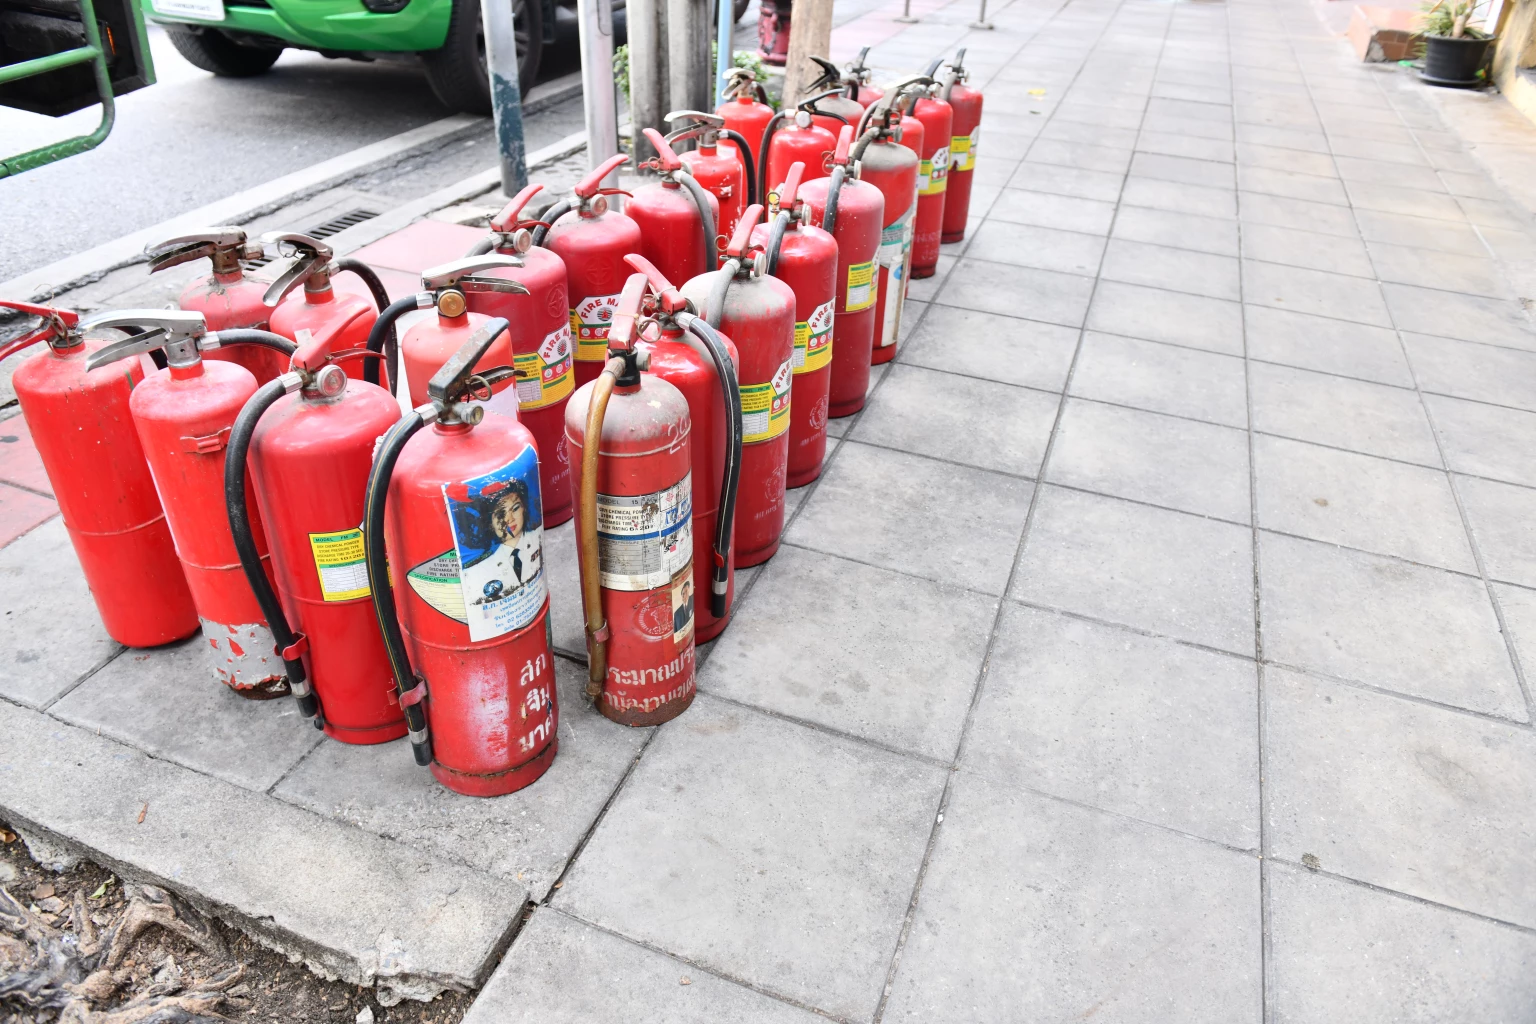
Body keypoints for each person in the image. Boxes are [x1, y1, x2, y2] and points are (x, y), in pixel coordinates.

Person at [460, 478, 543, 607]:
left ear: (524, 508)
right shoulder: (479, 569)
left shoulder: (538, 539)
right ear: (490, 523)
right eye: (500, 515)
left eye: (515, 508)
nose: (509, 519)